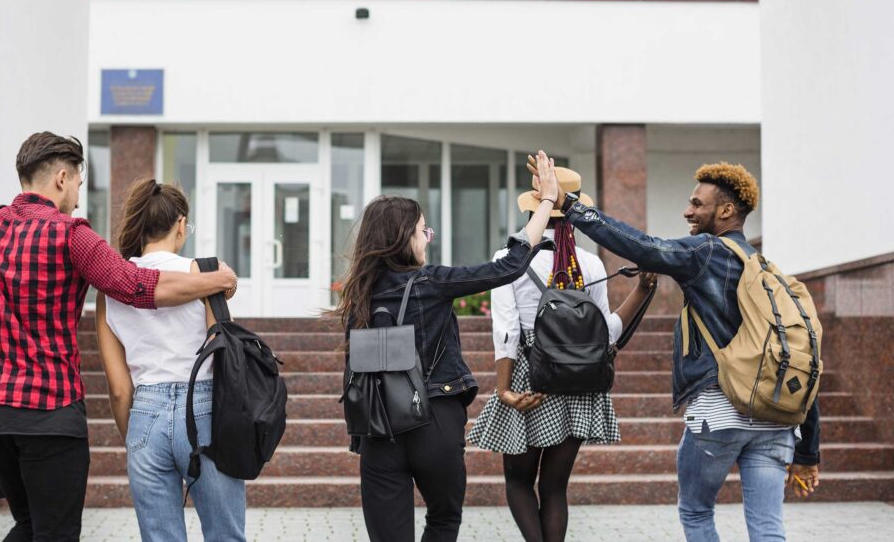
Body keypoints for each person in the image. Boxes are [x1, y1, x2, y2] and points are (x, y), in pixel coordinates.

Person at [0, 132, 237, 542]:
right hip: (49, 414)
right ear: (62, 178)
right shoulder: (71, 234)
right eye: (78, 184)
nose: (76, 198)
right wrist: (216, 280)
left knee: (29, 525)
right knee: (56, 532)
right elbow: (134, 285)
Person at [530, 157, 820, 542]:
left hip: (719, 412)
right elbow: (799, 357)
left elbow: (643, 247)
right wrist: (808, 452)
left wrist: (568, 205)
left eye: (697, 204)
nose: (688, 211)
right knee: (768, 527)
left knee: (696, 511)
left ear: (726, 211)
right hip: (777, 420)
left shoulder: (707, 252)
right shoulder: (769, 273)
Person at [331, 150, 560, 542]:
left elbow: (356, 372)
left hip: (377, 428)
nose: (428, 239)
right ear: (405, 237)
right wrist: (548, 201)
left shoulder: (358, 295)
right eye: (424, 231)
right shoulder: (431, 282)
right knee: (443, 518)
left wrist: (360, 438)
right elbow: (508, 266)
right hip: (434, 418)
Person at [468, 169, 657, 542]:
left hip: (530, 378)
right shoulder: (591, 263)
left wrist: (504, 389)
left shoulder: (509, 258)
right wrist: (640, 292)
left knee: (519, 482)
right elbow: (605, 336)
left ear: (533, 209)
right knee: (555, 488)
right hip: (578, 383)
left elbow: (506, 331)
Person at [95, 179, 245, 542]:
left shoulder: (110, 290)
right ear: (180, 224)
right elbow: (221, 354)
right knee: (225, 535)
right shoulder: (205, 274)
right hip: (204, 407)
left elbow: (119, 389)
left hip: (145, 413)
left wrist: (134, 437)